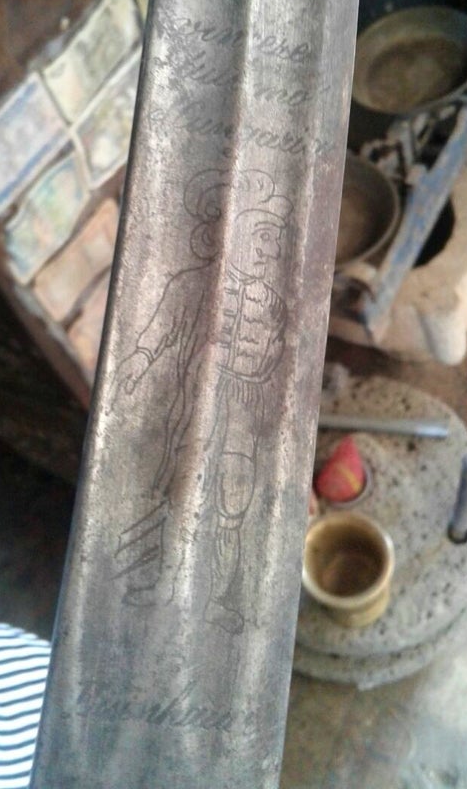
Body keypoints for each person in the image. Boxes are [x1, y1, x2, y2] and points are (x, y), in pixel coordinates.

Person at [113, 168, 291, 634]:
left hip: (244, 412)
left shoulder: (271, 299)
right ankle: (168, 585)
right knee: (185, 493)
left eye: (274, 242)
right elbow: (159, 328)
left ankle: (220, 599)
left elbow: (277, 360)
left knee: (233, 506)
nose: (268, 250)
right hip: (198, 402)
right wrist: (138, 362)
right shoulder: (193, 282)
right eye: (261, 237)